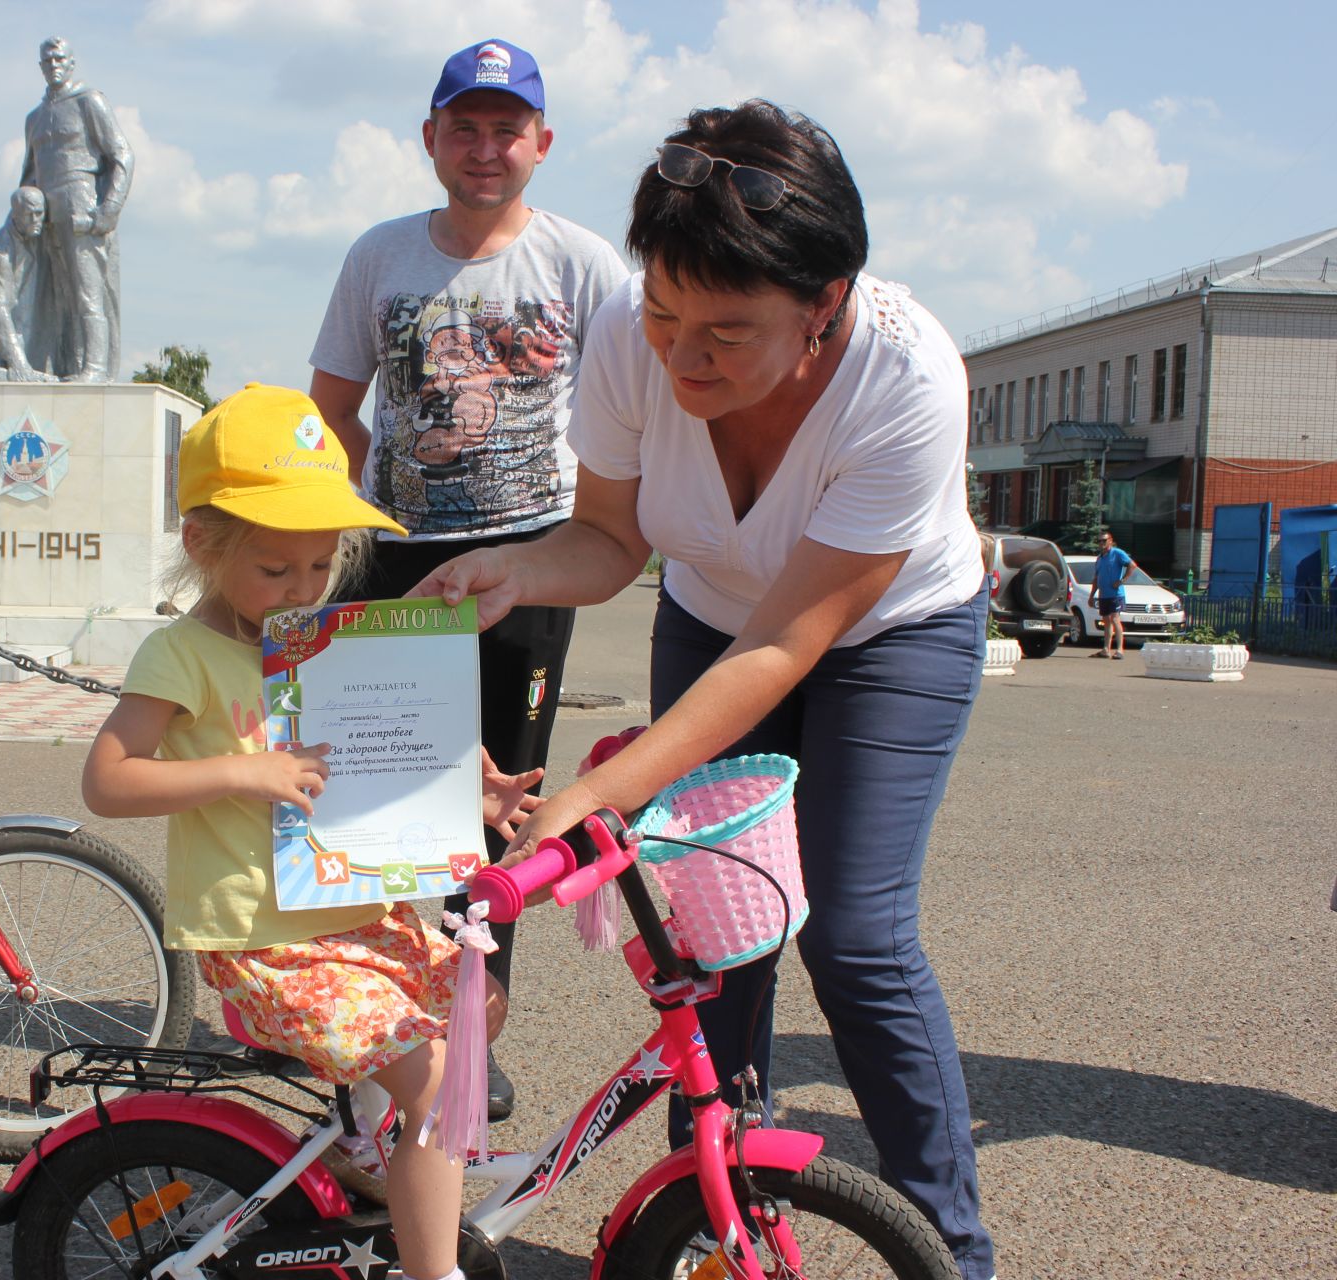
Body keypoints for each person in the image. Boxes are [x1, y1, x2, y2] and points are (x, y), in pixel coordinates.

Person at [416, 101, 997, 1279]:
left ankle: (954, 1247)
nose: (682, 357)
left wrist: (599, 795)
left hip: (889, 630)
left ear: (826, 301)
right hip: (715, 613)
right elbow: (610, 541)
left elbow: (787, 647)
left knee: (858, 934)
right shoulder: (635, 339)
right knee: (710, 946)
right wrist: (519, 566)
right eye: (666, 311)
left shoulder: (909, 377)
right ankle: (714, 1236)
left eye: (726, 332)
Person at [82, 384, 535, 1280]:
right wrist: (241, 771)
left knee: (480, 1008)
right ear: (203, 545)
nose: (302, 589)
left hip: (355, 915)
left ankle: (367, 1143)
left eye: (321, 565)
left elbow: (387, 743)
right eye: (276, 570)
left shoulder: (326, 634)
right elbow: (107, 780)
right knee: (440, 1083)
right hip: (267, 941)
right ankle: (432, 1270)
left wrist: (462, 788)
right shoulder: (183, 656)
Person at [308, 37, 629, 1118]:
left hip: (534, 561)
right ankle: (387, 1032)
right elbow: (333, 412)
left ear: (541, 142)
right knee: (392, 801)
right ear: (431, 139)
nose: (485, 149)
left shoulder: (583, 266)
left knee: (503, 816)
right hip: (400, 560)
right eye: (465, 127)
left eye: (507, 129)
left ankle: (472, 1049)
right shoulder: (381, 258)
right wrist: (320, 557)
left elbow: (640, 410)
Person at [20, 36, 132, 383]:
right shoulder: (35, 118)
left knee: (88, 294)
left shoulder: (89, 101)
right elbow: (29, 172)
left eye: (59, 59)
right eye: (47, 61)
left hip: (82, 204)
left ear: (71, 63)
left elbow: (122, 156)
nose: (53, 66)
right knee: (55, 299)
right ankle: (60, 365)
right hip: (45, 214)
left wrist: (107, 211)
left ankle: (95, 368)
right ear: (40, 67)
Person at [0, 186, 59, 380]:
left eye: (39, 214)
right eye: (29, 215)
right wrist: (18, 361)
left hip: (43, 335)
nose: (36, 221)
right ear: (16, 215)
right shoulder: (1, 247)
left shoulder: (46, 233)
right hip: (14, 340)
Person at [1090, 529, 1143, 659]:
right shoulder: (1100, 558)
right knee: (1106, 621)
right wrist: (1092, 595)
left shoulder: (1117, 553)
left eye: (1104, 540)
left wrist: (1122, 580)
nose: (1101, 543)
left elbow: (1132, 565)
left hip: (1116, 594)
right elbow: (1096, 578)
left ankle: (1119, 650)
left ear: (1110, 541)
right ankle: (1106, 649)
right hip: (1104, 594)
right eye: (1099, 541)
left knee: (1115, 619)